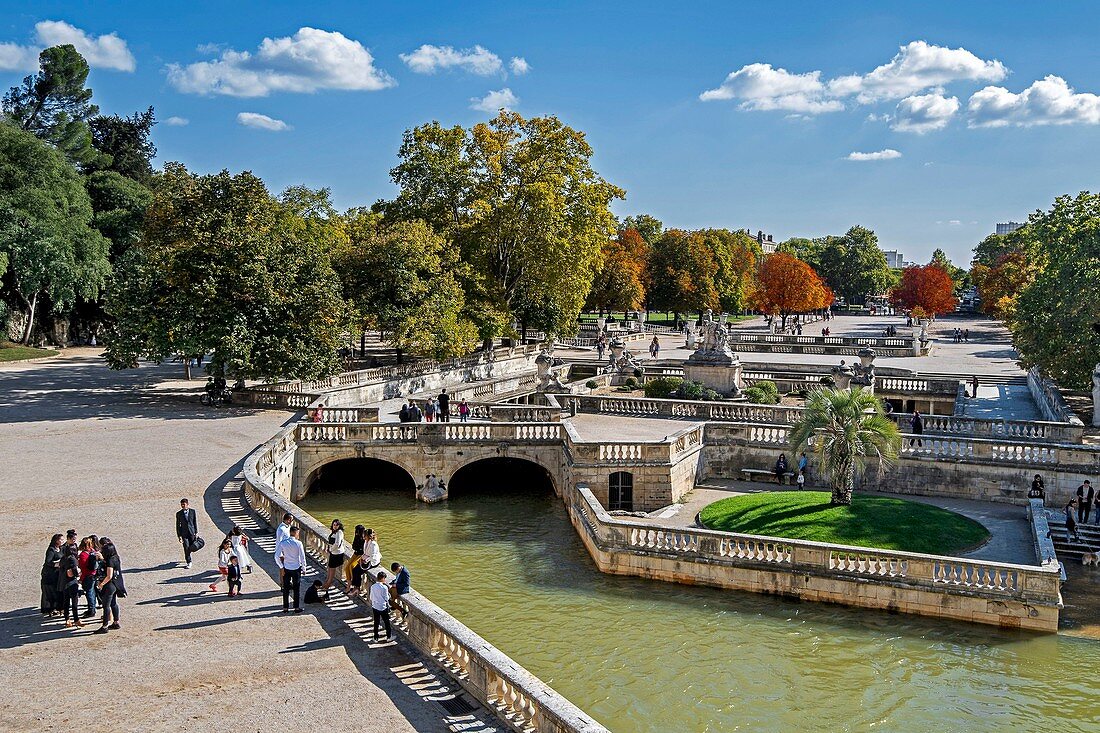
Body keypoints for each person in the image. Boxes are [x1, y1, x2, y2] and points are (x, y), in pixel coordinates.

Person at [94, 538, 122, 634]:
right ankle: (116, 622)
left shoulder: (110, 560)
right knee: (114, 603)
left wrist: (101, 584)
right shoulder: (116, 557)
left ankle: (105, 626)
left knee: (106, 606)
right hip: (115, 584)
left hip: (109, 585)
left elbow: (109, 576)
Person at [276, 526, 306, 613]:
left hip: (286, 567)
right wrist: (304, 568)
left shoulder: (283, 543)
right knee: (296, 588)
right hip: (296, 568)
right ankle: (296, 607)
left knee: (286, 588)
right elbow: (302, 557)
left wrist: (281, 566)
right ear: (296, 533)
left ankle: (285, 607)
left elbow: (276, 556)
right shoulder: (298, 543)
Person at [321, 519, 346, 597]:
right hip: (333, 553)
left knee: (332, 570)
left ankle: (328, 584)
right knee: (329, 568)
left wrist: (331, 550)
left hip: (336, 554)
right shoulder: (334, 532)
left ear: (339, 526)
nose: (335, 526)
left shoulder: (339, 532)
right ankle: (327, 582)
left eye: (336, 525)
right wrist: (329, 549)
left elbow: (337, 544)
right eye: (334, 525)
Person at [60, 545, 83, 628]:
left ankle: (67, 619)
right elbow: (74, 572)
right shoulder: (73, 559)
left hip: (64, 582)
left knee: (66, 601)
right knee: (74, 602)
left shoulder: (63, 559)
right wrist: (79, 573)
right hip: (72, 582)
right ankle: (76, 619)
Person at [41, 534, 64, 616]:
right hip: (50, 574)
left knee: (57, 591)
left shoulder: (60, 549)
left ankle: (58, 607)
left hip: (57, 574)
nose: (62, 541)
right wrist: (57, 564)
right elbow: (48, 562)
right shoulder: (51, 550)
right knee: (51, 592)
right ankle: (51, 608)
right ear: (56, 540)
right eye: (60, 539)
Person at [78, 536, 99, 618]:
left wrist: (81, 578)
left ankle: (91, 610)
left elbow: (82, 567)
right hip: (94, 575)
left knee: (89, 593)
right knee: (92, 592)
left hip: (87, 576)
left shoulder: (83, 555)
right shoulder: (93, 552)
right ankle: (92, 608)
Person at [369, 571, 392, 641]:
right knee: (386, 622)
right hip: (383, 607)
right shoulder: (384, 587)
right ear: (382, 578)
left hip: (375, 606)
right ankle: (389, 637)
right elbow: (386, 598)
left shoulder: (373, 586)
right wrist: (389, 595)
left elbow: (371, 597)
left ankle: (376, 638)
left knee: (376, 622)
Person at [176, 498, 198, 569]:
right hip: (184, 533)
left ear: (187, 504)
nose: (183, 506)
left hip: (191, 532)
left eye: (184, 504)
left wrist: (196, 532)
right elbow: (178, 525)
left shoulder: (193, 511)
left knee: (192, 547)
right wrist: (179, 536)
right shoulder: (179, 514)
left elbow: (194, 522)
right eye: (182, 505)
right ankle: (189, 561)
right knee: (186, 547)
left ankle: (188, 554)